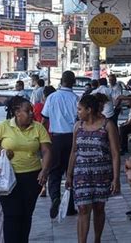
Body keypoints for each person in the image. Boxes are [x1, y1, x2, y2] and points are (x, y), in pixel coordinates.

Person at [0, 96, 52, 243]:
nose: (31, 113)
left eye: (31, 111)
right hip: (7, 177)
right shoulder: (4, 126)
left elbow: (47, 151)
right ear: (17, 112)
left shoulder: (38, 128)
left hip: (32, 178)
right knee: (11, 215)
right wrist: (0, 150)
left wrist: (45, 170)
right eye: (27, 111)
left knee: (25, 214)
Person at [66, 95, 120, 243]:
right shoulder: (78, 126)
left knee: (98, 207)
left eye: (80, 109)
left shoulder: (108, 125)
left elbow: (115, 154)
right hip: (81, 173)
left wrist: (116, 179)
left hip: (102, 174)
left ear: (89, 110)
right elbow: (74, 151)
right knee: (83, 208)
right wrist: (69, 174)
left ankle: (97, 239)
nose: (78, 112)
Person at [42, 70, 79, 218]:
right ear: (73, 82)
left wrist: (43, 140)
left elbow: (44, 120)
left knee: (54, 173)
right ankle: (69, 207)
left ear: (61, 81)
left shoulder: (51, 97)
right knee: (71, 174)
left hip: (55, 139)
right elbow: (80, 121)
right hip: (72, 139)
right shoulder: (76, 99)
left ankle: (55, 197)